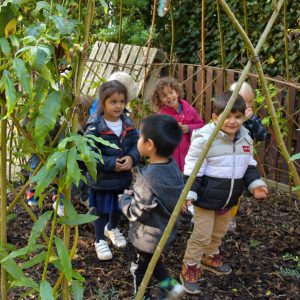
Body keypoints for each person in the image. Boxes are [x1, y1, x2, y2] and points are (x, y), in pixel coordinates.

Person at [180, 91, 268, 294]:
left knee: (219, 232)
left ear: (243, 117)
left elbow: (249, 165)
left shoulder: (245, 138)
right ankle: (190, 266)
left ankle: (210, 255)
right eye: (227, 116)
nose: (232, 121)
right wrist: (189, 193)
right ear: (215, 117)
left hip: (229, 199)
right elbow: (194, 168)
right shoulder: (205, 138)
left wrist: (256, 184)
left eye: (237, 116)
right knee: (201, 235)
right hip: (205, 198)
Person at [119, 114, 185, 300]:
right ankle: (171, 289)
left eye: (140, 136)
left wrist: (124, 199)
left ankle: (146, 295)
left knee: (141, 268)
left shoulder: (146, 178)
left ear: (149, 145)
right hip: (166, 231)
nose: (138, 140)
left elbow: (136, 211)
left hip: (147, 236)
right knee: (153, 262)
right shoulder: (173, 168)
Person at [85, 80, 140, 260]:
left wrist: (131, 158)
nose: (118, 106)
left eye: (121, 102)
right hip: (102, 178)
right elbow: (89, 153)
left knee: (118, 206)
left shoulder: (128, 123)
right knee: (100, 209)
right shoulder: (95, 125)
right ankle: (100, 239)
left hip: (122, 177)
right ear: (103, 103)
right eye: (113, 102)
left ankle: (112, 228)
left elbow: (136, 145)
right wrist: (111, 163)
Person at [229, 81, 268, 231]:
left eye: (249, 101)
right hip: (227, 159)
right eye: (241, 101)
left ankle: (231, 216)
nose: (246, 105)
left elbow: (262, 135)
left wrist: (251, 120)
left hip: (243, 160)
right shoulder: (228, 118)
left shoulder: (252, 120)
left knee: (237, 191)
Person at [151, 77, 205, 172]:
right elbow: (158, 136)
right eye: (164, 96)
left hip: (190, 155)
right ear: (160, 100)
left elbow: (201, 125)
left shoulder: (188, 109)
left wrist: (189, 128)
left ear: (177, 92)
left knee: (188, 179)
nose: (169, 97)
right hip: (172, 158)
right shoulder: (162, 116)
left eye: (171, 92)